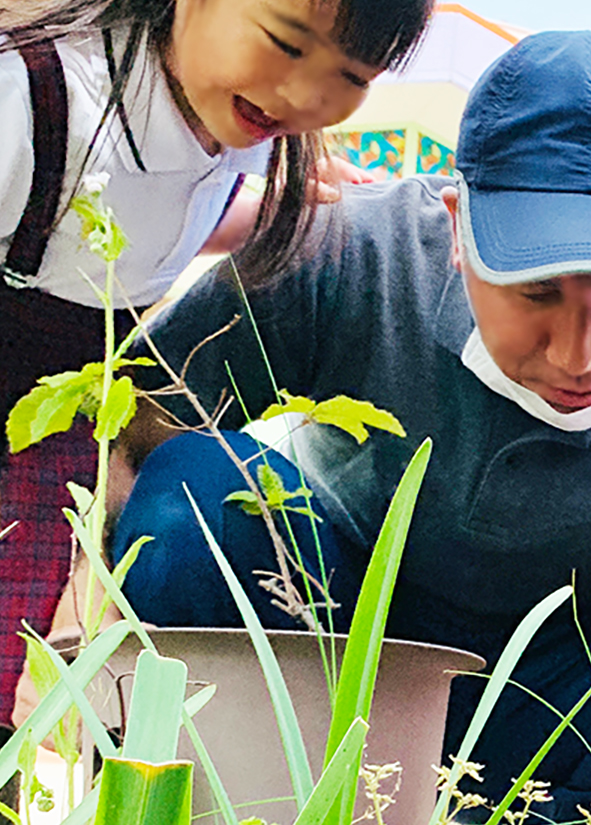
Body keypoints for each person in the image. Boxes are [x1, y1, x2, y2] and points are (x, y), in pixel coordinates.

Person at [24, 30, 591, 821]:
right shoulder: (351, 247)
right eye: (535, 293)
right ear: (458, 229)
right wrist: (70, 660)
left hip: (555, 688)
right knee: (194, 499)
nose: (578, 352)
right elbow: (138, 422)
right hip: (323, 637)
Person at [0, 0, 431, 724]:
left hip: (48, 442)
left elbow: (148, 213)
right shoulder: (34, 95)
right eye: (286, 44)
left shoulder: (238, 122)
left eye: (351, 75)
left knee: (32, 696)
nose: (306, 97)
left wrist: (267, 217)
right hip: (29, 413)